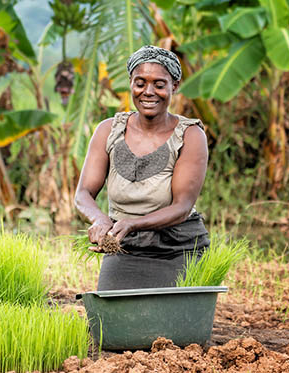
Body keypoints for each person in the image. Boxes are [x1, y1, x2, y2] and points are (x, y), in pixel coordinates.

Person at [74, 45, 209, 290]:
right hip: (125, 247)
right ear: (131, 83)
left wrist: (131, 224)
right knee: (109, 323)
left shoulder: (190, 135)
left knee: (174, 327)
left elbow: (182, 207)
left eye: (159, 84)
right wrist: (101, 220)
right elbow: (83, 193)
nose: (148, 92)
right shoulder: (109, 130)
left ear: (174, 86)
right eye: (140, 83)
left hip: (177, 248)